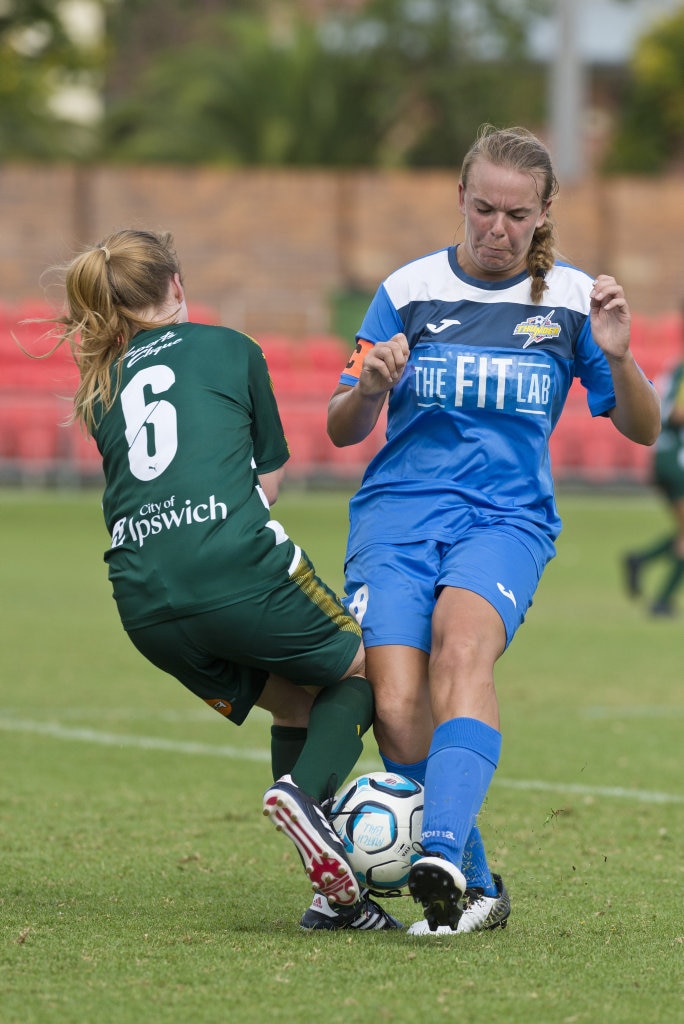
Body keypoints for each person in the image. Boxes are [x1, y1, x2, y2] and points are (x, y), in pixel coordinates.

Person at [320, 124, 660, 936]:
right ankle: (475, 883)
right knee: (398, 704)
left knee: (461, 647)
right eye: (484, 210)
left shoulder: (572, 301)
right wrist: (367, 388)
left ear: (544, 214)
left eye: (517, 216)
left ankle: (435, 847)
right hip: (397, 517)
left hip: (504, 521)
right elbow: (340, 427)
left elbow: (644, 429)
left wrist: (617, 356)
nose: (498, 230)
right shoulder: (407, 290)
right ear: (460, 201)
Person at [39, 227, 402, 930]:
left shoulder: (101, 385)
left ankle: (333, 899)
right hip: (233, 566)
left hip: (144, 603)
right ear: (177, 286)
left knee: (297, 705)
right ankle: (306, 795)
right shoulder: (232, 349)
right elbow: (267, 479)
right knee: (365, 672)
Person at [623, 346, 684, 616]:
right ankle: (662, 601)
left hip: (666, 456)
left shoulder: (675, 367)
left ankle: (641, 560)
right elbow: (675, 413)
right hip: (675, 460)